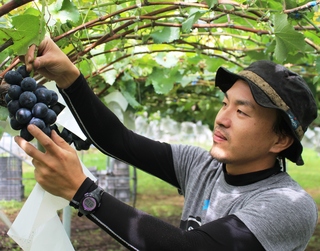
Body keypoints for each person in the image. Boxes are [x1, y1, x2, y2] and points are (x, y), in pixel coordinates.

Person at [16, 36, 318, 251]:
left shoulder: (288, 206)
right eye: (225, 104)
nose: (222, 119)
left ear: (280, 139)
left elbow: (189, 248)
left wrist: (84, 193)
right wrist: (71, 78)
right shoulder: (202, 166)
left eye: (241, 111)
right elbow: (118, 140)